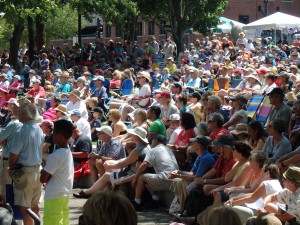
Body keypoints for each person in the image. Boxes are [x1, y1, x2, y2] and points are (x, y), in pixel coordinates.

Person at [74, 127, 150, 198]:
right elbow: (131, 160)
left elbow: (125, 162)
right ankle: (94, 190)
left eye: (133, 135)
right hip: (133, 171)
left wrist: (111, 166)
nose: (131, 137)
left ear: (137, 137)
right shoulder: (143, 146)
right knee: (96, 162)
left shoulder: (138, 149)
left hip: (131, 173)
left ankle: (90, 192)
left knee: (104, 168)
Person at [9, 103, 44, 225]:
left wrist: (11, 168)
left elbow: (13, 154)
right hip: (37, 170)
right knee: (34, 206)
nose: (18, 114)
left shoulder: (22, 130)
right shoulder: (38, 128)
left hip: (25, 172)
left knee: (25, 208)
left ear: (23, 113)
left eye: (19, 112)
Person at [169, 136, 216, 213]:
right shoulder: (199, 156)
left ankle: (182, 209)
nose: (191, 144)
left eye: (193, 143)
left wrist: (179, 176)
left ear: (199, 145)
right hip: (196, 181)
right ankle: (179, 207)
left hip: (202, 183)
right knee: (178, 180)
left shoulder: (206, 158)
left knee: (180, 181)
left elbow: (197, 177)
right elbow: (192, 173)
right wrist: (178, 172)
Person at [40, 119, 74, 225]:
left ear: (61, 135)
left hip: (54, 195)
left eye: (54, 133)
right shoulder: (67, 151)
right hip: (64, 193)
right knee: (63, 220)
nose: (52, 135)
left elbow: (43, 178)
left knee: (52, 221)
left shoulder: (56, 155)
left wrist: (42, 169)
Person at [132, 135, 179, 211]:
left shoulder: (153, 150)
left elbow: (144, 164)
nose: (151, 143)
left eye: (152, 140)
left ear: (156, 141)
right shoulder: (168, 150)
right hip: (175, 178)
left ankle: (137, 203)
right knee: (147, 177)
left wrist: (135, 178)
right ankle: (155, 199)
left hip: (166, 179)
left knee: (141, 177)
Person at [0, 98, 22, 201]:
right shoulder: (22, 123)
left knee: (6, 186)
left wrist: (3, 140)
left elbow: (1, 137)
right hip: (17, 156)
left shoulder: (14, 123)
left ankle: (8, 212)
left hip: (9, 157)